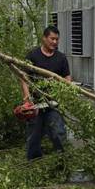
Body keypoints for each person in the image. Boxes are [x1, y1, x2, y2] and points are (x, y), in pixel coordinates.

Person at [21, 25, 71, 160]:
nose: (54, 42)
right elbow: (24, 77)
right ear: (44, 38)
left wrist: (66, 91)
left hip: (54, 103)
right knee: (33, 135)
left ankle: (62, 162)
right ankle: (34, 162)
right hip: (35, 103)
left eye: (57, 39)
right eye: (52, 39)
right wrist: (26, 98)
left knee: (58, 133)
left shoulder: (61, 58)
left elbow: (67, 78)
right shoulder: (33, 55)